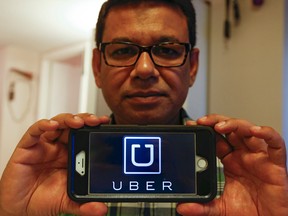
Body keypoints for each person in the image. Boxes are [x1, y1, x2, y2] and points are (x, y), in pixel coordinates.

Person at [0, 0, 287, 215]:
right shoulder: (52, 180)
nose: (145, 69)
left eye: (167, 50)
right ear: (97, 68)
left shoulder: (244, 180)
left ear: (192, 66)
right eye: (123, 50)